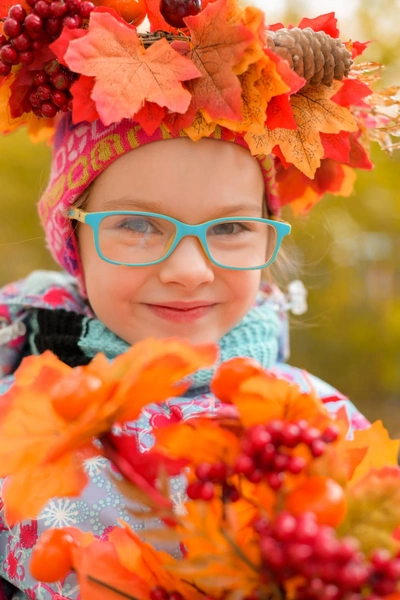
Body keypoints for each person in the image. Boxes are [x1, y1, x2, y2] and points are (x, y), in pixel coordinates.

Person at [0, 0, 393, 596]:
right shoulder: (22, 419)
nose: (188, 269)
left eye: (230, 229)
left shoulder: (319, 427)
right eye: (138, 225)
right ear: (73, 237)